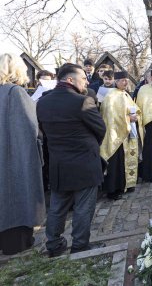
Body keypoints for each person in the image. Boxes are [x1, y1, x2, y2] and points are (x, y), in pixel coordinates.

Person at [37, 63, 106, 256]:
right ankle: (80, 245)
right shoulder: (82, 101)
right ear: (70, 80)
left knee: (58, 206)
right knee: (84, 206)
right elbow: (100, 129)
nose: (86, 82)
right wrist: (89, 145)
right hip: (85, 162)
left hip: (59, 163)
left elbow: (44, 131)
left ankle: (53, 244)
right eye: (83, 78)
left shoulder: (42, 103)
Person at [0, 53, 45, 255]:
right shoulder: (16, 93)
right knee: (16, 196)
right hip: (14, 156)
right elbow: (30, 127)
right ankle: (17, 243)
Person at [100, 71, 143, 199]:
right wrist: (129, 118)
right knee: (116, 162)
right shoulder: (110, 96)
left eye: (127, 80)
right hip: (116, 135)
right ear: (116, 81)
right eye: (122, 80)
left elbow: (136, 109)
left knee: (126, 160)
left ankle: (128, 184)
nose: (125, 82)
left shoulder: (126, 94)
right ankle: (114, 190)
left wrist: (136, 116)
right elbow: (110, 116)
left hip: (128, 133)